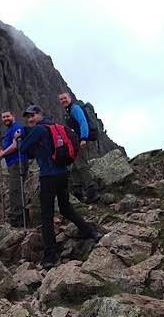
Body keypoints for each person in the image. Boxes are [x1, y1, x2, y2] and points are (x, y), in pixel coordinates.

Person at [14, 105, 102, 269]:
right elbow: (40, 149)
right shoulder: (56, 126)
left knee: (46, 215)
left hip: (48, 176)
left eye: (32, 115)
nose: (30, 119)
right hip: (63, 173)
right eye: (28, 117)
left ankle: (51, 255)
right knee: (65, 207)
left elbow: (23, 149)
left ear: (40, 114)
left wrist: (18, 139)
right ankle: (90, 231)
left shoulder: (39, 130)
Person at [58, 92, 99, 203]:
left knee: (81, 165)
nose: (63, 101)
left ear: (69, 98)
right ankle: (77, 191)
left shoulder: (75, 109)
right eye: (61, 99)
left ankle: (92, 191)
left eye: (64, 98)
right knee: (74, 166)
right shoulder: (69, 111)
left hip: (81, 141)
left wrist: (83, 138)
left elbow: (83, 122)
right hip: (76, 142)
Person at [0, 110, 29, 227]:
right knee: (15, 189)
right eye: (3, 117)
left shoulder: (16, 127)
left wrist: (3, 153)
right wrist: (1, 148)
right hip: (13, 163)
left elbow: (15, 146)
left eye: (7, 116)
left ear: (13, 116)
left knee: (15, 190)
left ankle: (17, 219)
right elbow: (10, 143)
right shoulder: (9, 129)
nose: (5, 118)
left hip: (18, 162)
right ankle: (18, 217)